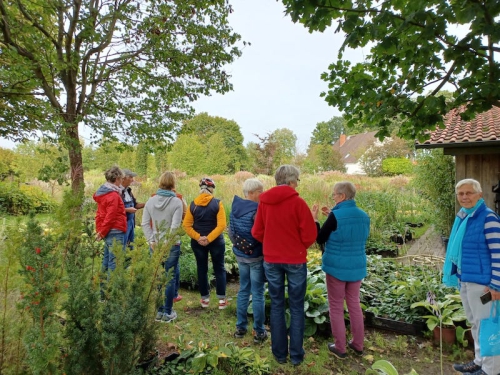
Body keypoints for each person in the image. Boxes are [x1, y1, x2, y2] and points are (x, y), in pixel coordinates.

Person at [251, 165, 317, 366]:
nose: (297, 184)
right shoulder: (298, 203)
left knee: (277, 305)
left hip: (271, 260)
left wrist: (271, 244)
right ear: (290, 181)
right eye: (297, 180)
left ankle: (279, 354)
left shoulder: (265, 203)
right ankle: (296, 356)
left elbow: (257, 232)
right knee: (296, 307)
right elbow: (309, 236)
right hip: (295, 260)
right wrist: (297, 246)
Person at [444, 179, 500, 375]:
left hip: (484, 284)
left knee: (487, 326)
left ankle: (491, 370)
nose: (465, 197)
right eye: (461, 194)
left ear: (480, 195)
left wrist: (496, 285)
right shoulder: (464, 217)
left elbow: (498, 253)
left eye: (469, 193)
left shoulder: (488, 218)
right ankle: (479, 362)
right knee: (475, 323)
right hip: (466, 279)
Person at [312, 181, 370, 359]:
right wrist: (331, 215)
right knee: (354, 304)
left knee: (336, 306)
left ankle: (340, 347)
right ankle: (358, 344)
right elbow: (356, 234)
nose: (333, 198)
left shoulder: (335, 216)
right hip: (357, 265)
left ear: (342, 196)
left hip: (336, 267)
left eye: (334, 195)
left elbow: (319, 238)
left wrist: (314, 219)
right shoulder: (363, 215)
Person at [141, 171, 184, 323]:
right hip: (171, 244)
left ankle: (159, 311)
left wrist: (151, 240)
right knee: (169, 278)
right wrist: (168, 242)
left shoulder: (150, 201)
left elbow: (145, 223)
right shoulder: (177, 202)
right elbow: (175, 225)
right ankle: (168, 311)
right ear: (173, 184)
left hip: (155, 244)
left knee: (158, 278)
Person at [228, 178, 267, 344]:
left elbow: (231, 232)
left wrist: (239, 247)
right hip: (256, 256)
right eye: (260, 191)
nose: (262, 194)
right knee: (258, 293)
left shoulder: (234, 207)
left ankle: (240, 328)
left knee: (243, 290)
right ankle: (259, 331)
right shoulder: (257, 210)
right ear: (252, 192)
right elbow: (262, 234)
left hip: (240, 255)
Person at [183, 177, 228, 309]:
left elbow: (186, 225)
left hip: (198, 243)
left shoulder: (193, 204)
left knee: (201, 269)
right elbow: (222, 225)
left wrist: (199, 237)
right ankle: (221, 301)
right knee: (219, 268)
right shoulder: (218, 204)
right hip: (216, 242)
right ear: (211, 189)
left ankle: (204, 300)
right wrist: (209, 238)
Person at [93, 166, 127, 273]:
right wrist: (102, 232)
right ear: (116, 179)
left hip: (108, 231)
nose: (121, 182)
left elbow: (100, 214)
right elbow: (110, 217)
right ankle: (112, 288)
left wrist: (100, 231)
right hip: (115, 230)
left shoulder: (104, 193)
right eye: (121, 179)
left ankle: (103, 288)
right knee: (115, 262)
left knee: (107, 260)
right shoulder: (113, 195)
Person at [121, 169, 145, 248]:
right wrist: (128, 210)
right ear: (123, 178)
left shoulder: (128, 191)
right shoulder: (117, 192)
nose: (132, 180)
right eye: (131, 177)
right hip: (123, 224)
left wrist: (148, 204)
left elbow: (135, 205)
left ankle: (130, 260)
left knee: (131, 245)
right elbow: (115, 209)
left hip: (131, 222)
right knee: (122, 246)